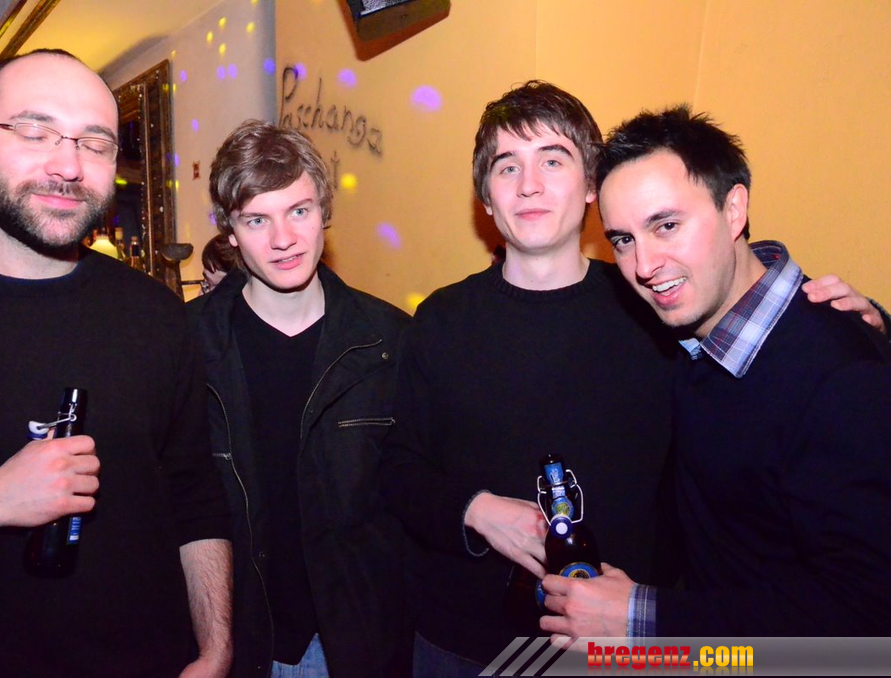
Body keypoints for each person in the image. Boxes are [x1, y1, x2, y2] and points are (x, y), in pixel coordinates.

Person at [378, 81, 888, 675]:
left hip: (626, 649)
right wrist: (474, 509)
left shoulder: (656, 310)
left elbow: (775, 347)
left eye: (553, 160)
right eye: (506, 166)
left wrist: (865, 326)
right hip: (465, 642)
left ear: (590, 188)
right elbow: (398, 468)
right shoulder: (442, 319)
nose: (529, 184)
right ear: (485, 199)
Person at [0, 49, 233, 676]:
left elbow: (195, 499)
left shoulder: (157, 314)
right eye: (35, 132)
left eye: (94, 142)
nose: (67, 166)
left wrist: (216, 649)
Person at [541, 106, 891, 636]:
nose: (644, 266)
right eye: (623, 240)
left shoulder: (841, 381)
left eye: (666, 225)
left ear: (734, 210)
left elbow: (865, 621)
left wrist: (640, 617)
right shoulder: (694, 333)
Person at [186, 120, 412, 677]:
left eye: (299, 211)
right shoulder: (186, 346)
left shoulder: (389, 341)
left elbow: (414, 499)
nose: (282, 239)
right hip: (237, 641)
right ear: (230, 232)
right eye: (256, 219)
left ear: (324, 213)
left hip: (358, 640)